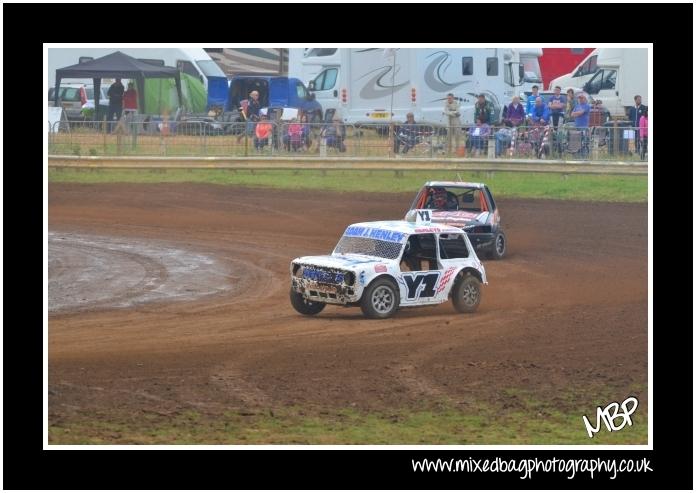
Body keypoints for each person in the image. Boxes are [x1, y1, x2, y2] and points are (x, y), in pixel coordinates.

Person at [571, 93, 592, 158]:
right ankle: (577, 155)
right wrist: (578, 113)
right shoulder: (576, 106)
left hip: (584, 127)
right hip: (577, 126)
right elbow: (572, 114)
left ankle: (584, 156)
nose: (580, 99)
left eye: (582, 98)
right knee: (577, 141)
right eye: (579, 98)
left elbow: (581, 113)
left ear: (585, 99)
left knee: (584, 141)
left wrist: (577, 114)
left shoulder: (587, 106)